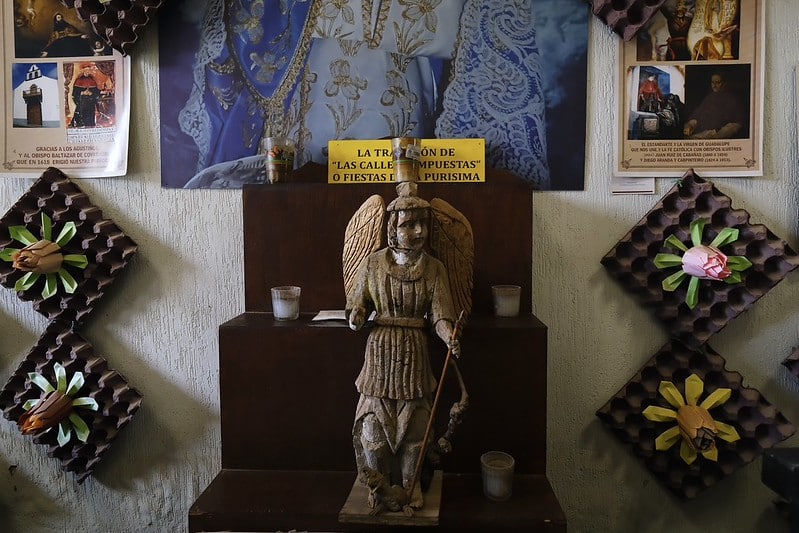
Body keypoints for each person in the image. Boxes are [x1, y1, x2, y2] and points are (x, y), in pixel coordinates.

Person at [346, 194, 460, 510]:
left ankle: (411, 487)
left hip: (414, 353)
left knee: (416, 428)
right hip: (380, 354)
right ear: (392, 229)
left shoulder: (434, 269)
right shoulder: (373, 264)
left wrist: (448, 336)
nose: (419, 231)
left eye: (423, 223)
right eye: (410, 225)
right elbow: (357, 303)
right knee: (373, 427)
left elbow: (440, 315)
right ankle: (378, 486)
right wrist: (357, 314)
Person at [683, 72, 745, 139]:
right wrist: (690, 125)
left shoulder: (732, 99)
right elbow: (697, 116)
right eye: (712, 82)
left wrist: (717, 135)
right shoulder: (709, 97)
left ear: (724, 83)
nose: (714, 85)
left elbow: (737, 124)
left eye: (717, 82)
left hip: (716, 136)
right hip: (701, 134)